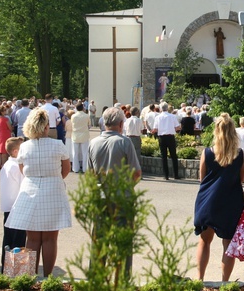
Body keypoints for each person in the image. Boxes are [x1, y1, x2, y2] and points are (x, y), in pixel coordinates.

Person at [5, 108, 71, 276]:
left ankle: (31, 275)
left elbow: (22, 170)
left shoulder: (24, 147)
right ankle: (47, 276)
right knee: (50, 238)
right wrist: (54, 178)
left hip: (30, 189)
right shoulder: (58, 145)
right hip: (53, 190)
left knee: (32, 238)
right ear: (46, 127)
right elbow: (66, 169)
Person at [87, 107, 142, 277]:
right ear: (120, 123)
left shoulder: (93, 143)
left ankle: (96, 279)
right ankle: (122, 281)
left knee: (99, 241)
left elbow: (90, 174)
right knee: (123, 242)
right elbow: (137, 172)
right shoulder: (125, 142)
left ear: (104, 122)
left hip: (100, 196)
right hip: (122, 197)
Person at [193, 113, 244, 281]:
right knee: (228, 245)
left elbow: (202, 179)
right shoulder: (240, 154)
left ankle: (200, 279)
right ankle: (224, 282)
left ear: (216, 131)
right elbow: (241, 179)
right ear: (233, 132)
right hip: (231, 202)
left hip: (208, 201)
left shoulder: (207, 153)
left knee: (204, 241)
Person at [0, 136, 26, 271]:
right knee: (18, 240)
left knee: (8, 239)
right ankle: (17, 270)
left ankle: (6, 267)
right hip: (17, 207)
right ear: (15, 151)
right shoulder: (16, 166)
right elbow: (24, 186)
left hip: (9, 206)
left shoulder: (7, 164)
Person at [152, 102, 181, 180]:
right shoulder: (172, 116)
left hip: (162, 137)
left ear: (161, 109)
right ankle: (176, 175)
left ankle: (166, 175)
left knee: (163, 156)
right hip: (170, 137)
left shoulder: (158, 117)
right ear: (167, 108)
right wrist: (172, 128)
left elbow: (155, 129)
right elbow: (178, 127)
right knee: (173, 156)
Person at [70, 103, 91, 173]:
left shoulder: (73, 116)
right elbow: (89, 125)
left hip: (75, 135)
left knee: (75, 153)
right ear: (83, 108)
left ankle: (75, 168)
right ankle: (85, 168)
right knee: (85, 153)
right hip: (84, 135)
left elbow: (72, 124)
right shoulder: (86, 116)